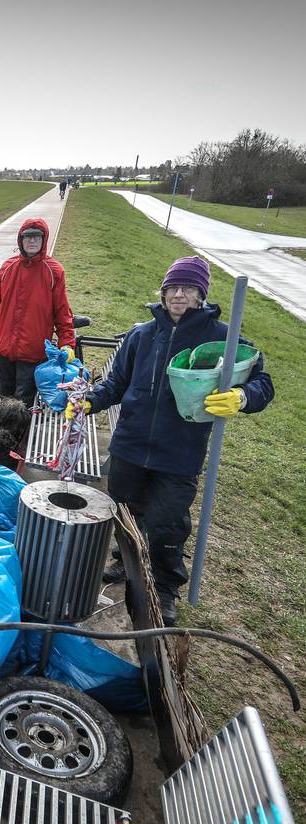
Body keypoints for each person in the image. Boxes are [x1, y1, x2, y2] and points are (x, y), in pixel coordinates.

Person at [66, 256, 274, 626]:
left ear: (201, 294)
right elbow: (117, 384)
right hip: (130, 445)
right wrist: (90, 401)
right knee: (125, 512)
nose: (178, 295)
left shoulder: (222, 340)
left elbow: (263, 382)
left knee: (167, 525)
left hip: (179, 453)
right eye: (172, 288)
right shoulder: (142, 335)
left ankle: (164, 589)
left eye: (188, 288)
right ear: (163, 292)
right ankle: (126, 560)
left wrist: (242, 396)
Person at [0, 217, 76, 408]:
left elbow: (62, 311)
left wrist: (66, 343)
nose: (32, 241)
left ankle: (24, 428)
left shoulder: (54, 271)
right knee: (4, 401)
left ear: (44, 240)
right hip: (4, 349)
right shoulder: (7, 268)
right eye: (28, 237)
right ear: (21, 239)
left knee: (24, 404)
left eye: (37, 237)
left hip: (32, 351)